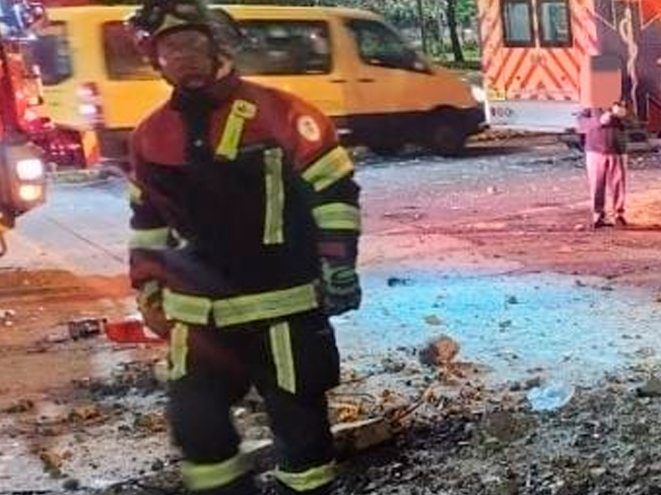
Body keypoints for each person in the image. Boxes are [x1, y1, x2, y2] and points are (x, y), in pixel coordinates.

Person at [124, 1, 362, 494]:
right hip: (198, 319)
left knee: (303, 441)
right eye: (171, 48)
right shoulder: (151, 136)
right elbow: (147, 222)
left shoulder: (284, 113)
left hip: (284, 311)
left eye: (193, 44)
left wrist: (339, 265)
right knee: (198, 431)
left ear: (218, 49)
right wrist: (147, 286)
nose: (183, 57)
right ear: (156, 59)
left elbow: (335, 194)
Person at [577, 101, 629, 229]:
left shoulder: (621, 100)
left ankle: (619, 215)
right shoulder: (589, 102)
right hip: (595, 149)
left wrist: (623, 114)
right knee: (596, 184)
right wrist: (599, 121)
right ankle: (598, 215)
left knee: (618, 184)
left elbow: (633, 121)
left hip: (616, 148)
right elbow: (581, 123)